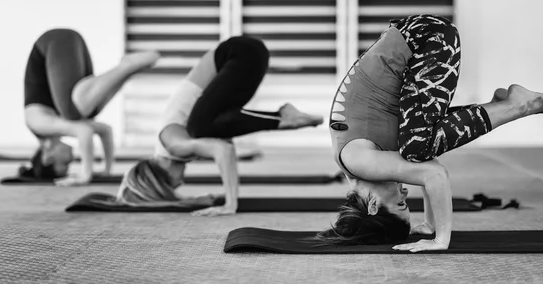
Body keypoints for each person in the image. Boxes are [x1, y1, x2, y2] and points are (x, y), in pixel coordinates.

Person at [317, 14, 543, 251]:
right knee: (417, 148)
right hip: (422, 38)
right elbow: (427, 164)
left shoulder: (362, 163)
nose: (404, 191)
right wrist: (429, 224)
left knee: (415, 149)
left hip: (428, 41)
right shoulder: (356, 161)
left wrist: (440, 239)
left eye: (400, 202)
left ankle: (515, 105)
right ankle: (498, 107)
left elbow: (434, 174)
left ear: (372, 205)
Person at [115, 35, 324, 216]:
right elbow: (226, 144)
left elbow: (222, 150)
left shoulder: (174, 145)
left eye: (170, 188)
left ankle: (283, 118)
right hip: (247, 55)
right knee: (210, 130)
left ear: (159, 180)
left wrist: (230, 204)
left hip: (238, 54)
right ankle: (284, 117)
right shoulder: (178, 143)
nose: (180, 185)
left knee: (202, 130)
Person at [20, 28, 159, 185]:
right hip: (66, 43)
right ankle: (127, 71)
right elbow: (105, 130)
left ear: (48, 157)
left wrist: (86, 175)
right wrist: (107, 170)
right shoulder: (53, 129)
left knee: (73, 113)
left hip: (54, 42)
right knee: (90, 110)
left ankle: (126, 66)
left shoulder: (38, 124)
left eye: (65, 164)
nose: (71, 160)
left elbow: (84, 132)